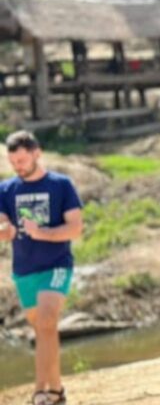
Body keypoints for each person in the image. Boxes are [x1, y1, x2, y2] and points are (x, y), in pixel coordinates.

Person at [0, 131, 84, 405]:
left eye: (22, 160)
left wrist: (42, 233)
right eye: (14, 162)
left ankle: (39, 390)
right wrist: (5, 230)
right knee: (44, 331)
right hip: (24, 269)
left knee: (47, 321)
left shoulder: (61, 185)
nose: (18, 166)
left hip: (56, 265)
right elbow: (2, 223)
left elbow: (75, 228)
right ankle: (57, 390)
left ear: (37, 153)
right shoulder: (6, 190)